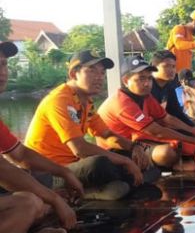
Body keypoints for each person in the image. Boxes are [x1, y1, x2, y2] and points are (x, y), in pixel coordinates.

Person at [24, 50, 144, 200]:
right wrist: (125, 162)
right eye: (92, 70)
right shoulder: (59, 100)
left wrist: (134, 147)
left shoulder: (86, 102)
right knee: (100, 164)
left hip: (72, 165)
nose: (99, 77)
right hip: (48, 172)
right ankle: (96, 190)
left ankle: (108, 187)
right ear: (74, 74)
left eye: (102, 72)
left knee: (131, 158)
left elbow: (107, 134)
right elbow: (80, 149)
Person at [0, 41, 74, 233]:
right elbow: (3, 169)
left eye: (3, 65)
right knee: (29, 202)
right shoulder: (60, 99)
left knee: (37, 196)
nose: (2, 72)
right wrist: (52, 199)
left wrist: (65, 173)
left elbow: (19, 154)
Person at [97, 56, 195, 171]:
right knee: (167, 153)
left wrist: (193, 131)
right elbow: (156, 131)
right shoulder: (121, 102)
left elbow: (166, 118)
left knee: (192, 140)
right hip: (118, 150)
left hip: (138, 141)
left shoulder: (145, 95)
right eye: (141, 78)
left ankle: (187, 163)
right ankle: (180, 167)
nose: (147, 83)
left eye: (149, 78)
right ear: (125, 81)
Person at [149, 51, 195, 127]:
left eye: (173, 66)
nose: (172, 70)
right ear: (154, 67)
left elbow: (177, 113)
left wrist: (193, 124)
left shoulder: (169, 86)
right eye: (166, 66)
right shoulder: (146, 87)